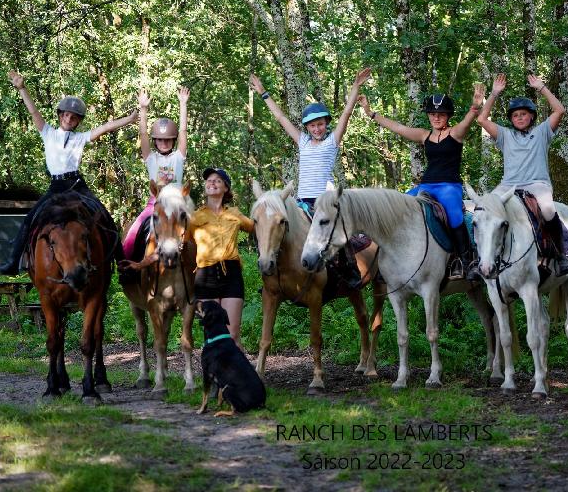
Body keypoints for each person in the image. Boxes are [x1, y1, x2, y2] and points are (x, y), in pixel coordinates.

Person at [0, 71, 138, 275]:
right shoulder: (48, 133)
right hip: (56, 186)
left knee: (104, 214)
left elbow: (106, 127)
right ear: (60, 115)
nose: (69, 119)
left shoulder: (80, 138)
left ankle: (122, 263)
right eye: (66, 115)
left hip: (75, 185)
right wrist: (22, 88)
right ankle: (13, 262)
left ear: (78, 121)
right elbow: (34, 112)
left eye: (73, 117)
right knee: (30, 218)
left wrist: (130, 119)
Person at [249, 68, 371, 288]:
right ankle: (274, 275)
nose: (317, 128)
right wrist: (263, 93)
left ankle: (350, 270)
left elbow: (345, 114)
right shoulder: (303, 142)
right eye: (313, 125)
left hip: (322, 201)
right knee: (279, 230)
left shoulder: (331, 142)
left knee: (339, 232)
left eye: (321, 124)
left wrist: (355, 87)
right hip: (300, 202)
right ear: (307, 127)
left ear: (326, 125)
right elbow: (280, 117)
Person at [358, 91, 481, 279]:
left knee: (455, 213)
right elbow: (398, 127)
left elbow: (466, 122)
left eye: (440, 114)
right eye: (433, 114)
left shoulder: (455, 133)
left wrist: (474, 108)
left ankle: (467, 260)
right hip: (427, 186)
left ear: (448, 116)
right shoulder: (424, 135)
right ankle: (391, 258)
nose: (436, 118)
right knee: (399, 205)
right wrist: (370, 113)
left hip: (449, 186)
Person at [473, 66, 568, 276]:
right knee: (483, 210)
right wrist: (493, 94)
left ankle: (561, 254)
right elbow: (482, 119)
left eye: (524, 114)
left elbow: (560, 111)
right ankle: (478, 259)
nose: (519, 118)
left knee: (547, 210)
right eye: (516, 115)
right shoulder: (504, 135)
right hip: (509, 185)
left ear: (532, 117)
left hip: (537, 183)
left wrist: (542, 88)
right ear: (511, 119)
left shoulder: (542, 132)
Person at [120, 84, 190, 279]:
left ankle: (202, 275)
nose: (163, 143)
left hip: (177, 205)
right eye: (159, 140)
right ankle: (128, 272)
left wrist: (182, 104)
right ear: (155, 142)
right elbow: (142, 134)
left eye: (167, 140)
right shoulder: (151, 158)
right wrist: (143, 110)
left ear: (174, 141)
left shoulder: (178, 157)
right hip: (155, 205)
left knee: (199, 234)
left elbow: (183, 131)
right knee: (132, 234)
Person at [190, 167, 254, 349]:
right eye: (209, 180)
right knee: (211, 334)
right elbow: (181, 242)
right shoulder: (194, 217)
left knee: (232, 334)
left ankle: (238, 376)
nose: (212, 182)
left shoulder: (235, 214)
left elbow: (256, 227)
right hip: (205, 275)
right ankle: (213, 376)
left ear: (226, 188)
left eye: (218, 180)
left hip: (231, 273)